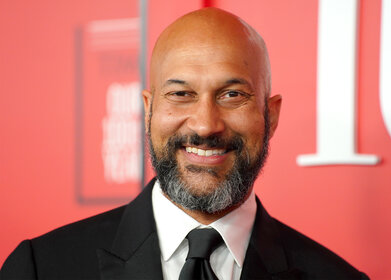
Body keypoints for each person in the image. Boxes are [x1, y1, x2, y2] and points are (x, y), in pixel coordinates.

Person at [1, 8, 369, 280]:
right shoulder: (42, 267)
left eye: (231, 94)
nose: (205, 124)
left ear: (270, 116)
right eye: (181, 94)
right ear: (148, 109)